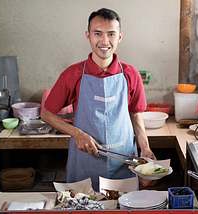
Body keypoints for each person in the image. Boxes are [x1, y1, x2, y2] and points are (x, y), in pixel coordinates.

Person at [41, 8, 156, 191]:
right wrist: (77, 134)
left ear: (119, 37)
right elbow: (46, 114)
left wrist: (145, 148)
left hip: (123, 161)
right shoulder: (73, 74)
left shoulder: (130, 74)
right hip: (85, 162)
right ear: (88, 36)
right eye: (97, 34)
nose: (104, 41)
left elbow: (135, 114)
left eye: (111, 34)